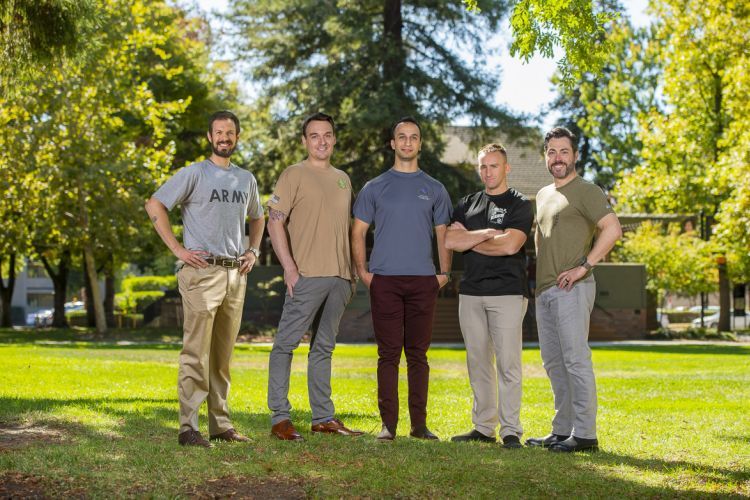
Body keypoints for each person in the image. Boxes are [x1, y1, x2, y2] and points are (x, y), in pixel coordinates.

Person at [145, 110, 265, 448]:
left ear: (237, 138)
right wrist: (178, 250)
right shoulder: (194, 173)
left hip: (235, 273)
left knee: (222, 355)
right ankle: (188, 427)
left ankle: (220, 424)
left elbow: (259, 217)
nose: (225, 137)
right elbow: (154, 205)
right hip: (201, 271)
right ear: (210, 137)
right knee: (196, 352)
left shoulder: (247, 179)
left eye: (230, 132)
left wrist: (253, 251)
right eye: (219, 132)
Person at [351, 116, 453, 441]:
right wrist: (363, 273)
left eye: (413, 137)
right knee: (388, 354)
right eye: (401, 137)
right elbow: (357, 232)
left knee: (418, 355)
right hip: (385, 281)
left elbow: (443, 234)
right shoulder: (374, 187)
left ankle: (419, 426)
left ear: (420, 144)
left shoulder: (435, 188)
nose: (407, 142)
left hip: (424, 281)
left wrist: (444, 274)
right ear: (393, 144)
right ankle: (388, 426)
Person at [266, 112, 362, 441]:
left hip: (339, 278)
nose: (322, 141)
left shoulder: (343, 178)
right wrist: (290, 268)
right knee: (285, 346)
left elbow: (346, 229)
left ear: (334, 139)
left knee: (324, 348)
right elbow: (274, 221)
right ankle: (280, 418)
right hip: (306, 276)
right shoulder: (293, 174)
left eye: (327, 135)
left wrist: (351, 272)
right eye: (314, 135)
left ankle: (323, 417)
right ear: (305, 141)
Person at [525, 127, 622, 453]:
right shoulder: (542, 194)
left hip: (573, 289)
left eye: (563, 151)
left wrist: (584, 266)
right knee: (554, 363)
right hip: (545, 291)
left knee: (575, 360)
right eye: (551, 152)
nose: (557, 158)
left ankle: (585, 434)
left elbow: (613, 229)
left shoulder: (587, 190)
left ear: (575, 155)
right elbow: (540, 241)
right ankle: (562, 429)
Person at [444, 143, 533, 449]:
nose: (488, 172)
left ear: (506, 168)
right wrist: (486, 235)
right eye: (483, 166)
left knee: (508, 364)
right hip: (471, 293)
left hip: (508, 292)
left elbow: (511, 246)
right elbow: (450, 240)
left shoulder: (520, 204)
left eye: (494, 166)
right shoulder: (467, 204)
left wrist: (469, 239)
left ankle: (510, 430)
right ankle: (483, 427)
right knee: (478, 362)